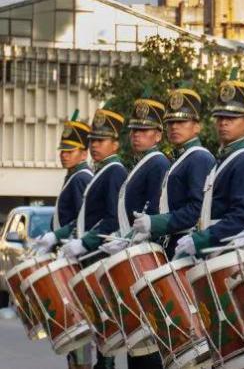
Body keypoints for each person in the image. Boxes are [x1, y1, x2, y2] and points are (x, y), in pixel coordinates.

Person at [95, 97, 169, 369]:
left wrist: (129, 239)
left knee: (147, 348)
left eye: (144, 130)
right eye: (134, 131)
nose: (136, 136)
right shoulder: (142, 163)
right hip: (131, 256)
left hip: (143, 260)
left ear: (158, 135)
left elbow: (152, 209)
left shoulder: (158, 163)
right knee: (136, 345)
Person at [60, 108, 128, 369]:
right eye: (92, 141)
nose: (94, 146)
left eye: (100, 141)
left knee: (103, 334)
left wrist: (84, 242)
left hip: (99, 259)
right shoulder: (101, 172)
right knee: (97, 332)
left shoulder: (113, 172)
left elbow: (111, 219)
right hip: (89, 259)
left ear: (115, 143)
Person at [175, 76, 244, 256]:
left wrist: (201, 239)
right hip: (214, 251)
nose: (224, 122)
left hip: (231, 254)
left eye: (232, 117)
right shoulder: (222, 160)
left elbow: (243, 217)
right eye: (220, 117)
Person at [33, 112, 94, 369]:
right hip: (68, 257)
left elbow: (82, 221)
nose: (64, 154)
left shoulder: (81, 178)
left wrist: (57, 236)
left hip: (77, 259)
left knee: (78, 329)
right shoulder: (73, 176)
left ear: (84, 152)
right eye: (63, 150)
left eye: (71, 150)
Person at [129, 87, 215, 257]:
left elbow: (196, 210)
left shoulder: (199, 157)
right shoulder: (179, 160)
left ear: (197, 126)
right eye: (170, 122)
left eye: (182, 122)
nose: (174, 127)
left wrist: (154, 223)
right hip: (173, 245)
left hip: (189, 247)